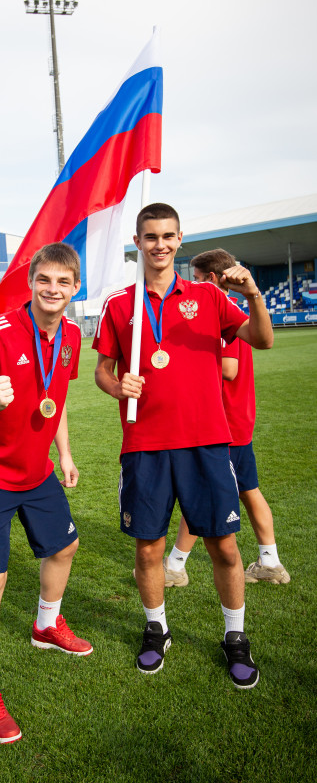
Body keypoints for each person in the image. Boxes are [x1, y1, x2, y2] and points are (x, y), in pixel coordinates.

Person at [93, 203, 273, 691]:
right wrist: (117, 386)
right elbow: (101, 371)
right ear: (138, 242)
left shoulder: (207, 296)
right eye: (151, 237)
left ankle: (235, 637)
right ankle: (157, 629)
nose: (160, 245)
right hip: (145, 445)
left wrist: (253, 294)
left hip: (206, 443)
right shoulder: (119, 304)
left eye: (168, 236)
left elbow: (262, 339)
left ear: (179, 239)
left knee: (225, 547)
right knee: (148, 548)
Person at [0, 243, 92, 744]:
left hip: (36, 471)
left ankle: (45, 625)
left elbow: (57, 399)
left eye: (63, 282)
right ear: (31, 282)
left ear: (75, 288)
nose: (53, 289)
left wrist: (65, 454)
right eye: (44, 280)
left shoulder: (72, 335)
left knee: (65, 547)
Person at [165, 249, 290, 587]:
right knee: (248, 489)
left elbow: (230, 368)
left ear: (211, 278)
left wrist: (182, 359)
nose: (191, 283)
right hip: (236, 417)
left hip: (223, 422)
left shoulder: (219, 311)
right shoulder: (231, 310)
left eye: (195, 277)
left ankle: (174, 566)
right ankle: (270, 561)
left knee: (201, 491)